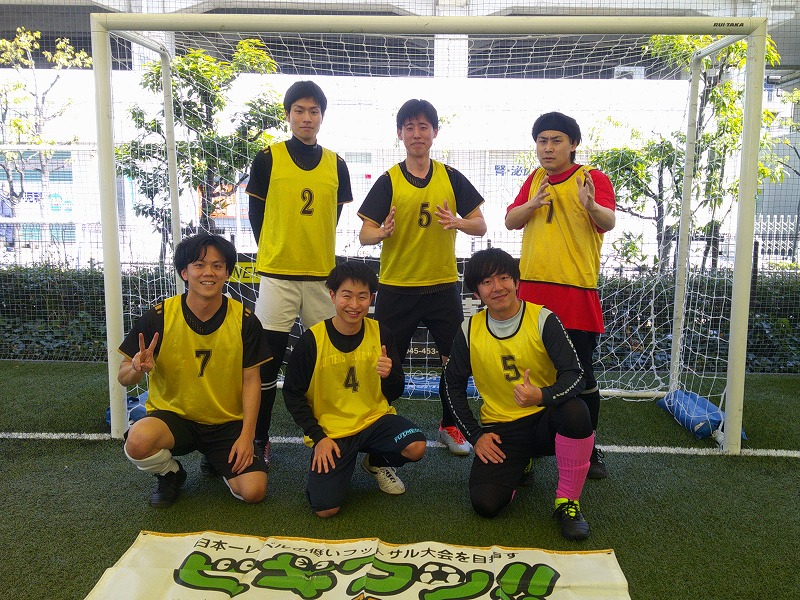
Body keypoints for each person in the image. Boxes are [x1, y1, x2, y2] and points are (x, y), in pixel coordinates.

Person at [358, 98, 486, 456]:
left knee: (454, 361)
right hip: (397, 287)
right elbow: (364, 234)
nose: (417, 134)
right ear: (400, 133)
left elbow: (480, 225)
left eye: (423, 127)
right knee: (385, 361)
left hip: (442, 286)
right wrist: (382, 232)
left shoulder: (451, 176)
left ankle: (449, 424)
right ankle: (377, 422)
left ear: (435, 133)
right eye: (410, 127)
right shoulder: (389, 180)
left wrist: (458, 222)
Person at [443, 248, 594, 541]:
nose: (497, 287)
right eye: (487, 282)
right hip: (502, 429)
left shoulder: (543, 318)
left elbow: (575, 375)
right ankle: (520, 462)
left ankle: (567, 502)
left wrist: (542, 395)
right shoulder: (469, 329)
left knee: (576, 411)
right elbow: (452, 386)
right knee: (486, 504)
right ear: (476, 292)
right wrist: (476, 435)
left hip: (545, 419)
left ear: (516, 282)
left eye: (503, 278)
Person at [119, 233, 271, 508]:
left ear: (227, 273)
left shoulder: (245, 320)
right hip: (175, 418)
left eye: (217, 265)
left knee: (254, 491)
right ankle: (170, 473)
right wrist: (136, 368)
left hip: (225, 422)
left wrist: (247, 436)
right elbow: (123, 376)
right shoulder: (159, 317)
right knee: (138, 440)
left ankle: (215, 457)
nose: (208, 272)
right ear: (184, 272)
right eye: (199, 265)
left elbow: (252, 381)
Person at [246, 80, 353, 470]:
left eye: (313, 111)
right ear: (288, 115)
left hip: (321, 278)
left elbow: (332, 217)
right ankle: (259, 438)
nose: (306, 117)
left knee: (327, 362)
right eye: (299, 110)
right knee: (267, 364)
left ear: (322, 116)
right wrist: (276, 248)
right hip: (278, 276)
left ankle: (332, 434)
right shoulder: (267, 159)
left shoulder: (336, 164)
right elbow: (256, 214)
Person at [504, 111, 616, 480]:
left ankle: (589, 448)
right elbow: (511, 220)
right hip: (532, 293)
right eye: (542, 141)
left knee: (581, 377)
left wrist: (590, 205)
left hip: (575, 295)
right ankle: (529, 448)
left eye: (556, 140)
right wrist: (532, 204)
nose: (548, 148)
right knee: (531, 374)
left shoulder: (592, 178)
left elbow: (608, 221)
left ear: (573, 144)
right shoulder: (535, 179)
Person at [283, 261, 427, 517]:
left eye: (362, 296)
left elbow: (395, 392)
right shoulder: (312, 340)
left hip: (373, 419)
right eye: (346, 295)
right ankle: (337, 468)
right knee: (326, 509)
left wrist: (389, 375)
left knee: (416, 446)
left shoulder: (381, 333)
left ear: (371, 298)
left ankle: (376, 463)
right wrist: (319, 437)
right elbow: (292, 394)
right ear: (332, 296)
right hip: (332, 431)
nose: (354, 304)